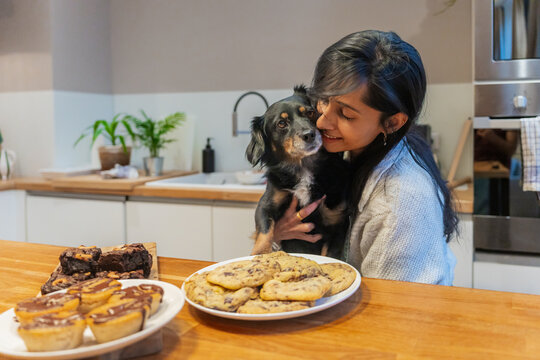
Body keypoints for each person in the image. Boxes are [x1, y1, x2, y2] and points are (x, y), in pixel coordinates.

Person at [253, 30, 458, 286]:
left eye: (346, 115)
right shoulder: (351, 155)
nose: (322, 121)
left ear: (392, 122)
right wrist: (277, 234)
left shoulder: (398, 204)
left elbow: (392, 308)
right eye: (323, 101)